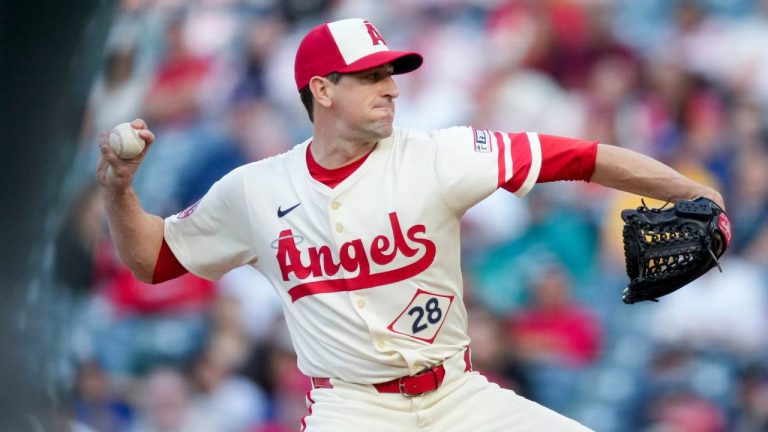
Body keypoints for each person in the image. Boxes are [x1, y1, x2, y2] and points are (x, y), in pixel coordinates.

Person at [97, 18, 725, 432]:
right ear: (322, 89)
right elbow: (153, 260)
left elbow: (580, 157)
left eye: (391, 73)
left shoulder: (439, 155)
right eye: (371, 75)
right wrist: (119, 193)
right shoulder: (253, 190)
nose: (391, 87)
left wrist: (694, 191)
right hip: (352, 408)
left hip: (457, 395)